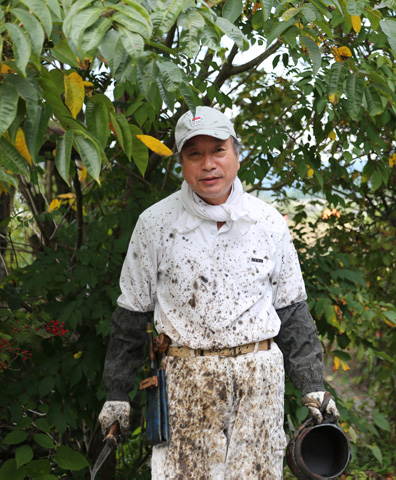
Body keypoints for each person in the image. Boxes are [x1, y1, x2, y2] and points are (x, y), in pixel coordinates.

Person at [98, 106, 339, 479]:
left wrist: (312, 386)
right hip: (185, 381)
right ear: (181, 162)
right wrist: (116, 393)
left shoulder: (268, 222)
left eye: (218, 151)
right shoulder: (156, 224)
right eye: (195, 154)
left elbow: (292, 312)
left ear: (236, 154)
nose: (208, 164)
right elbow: (131, 315)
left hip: (258, 380)